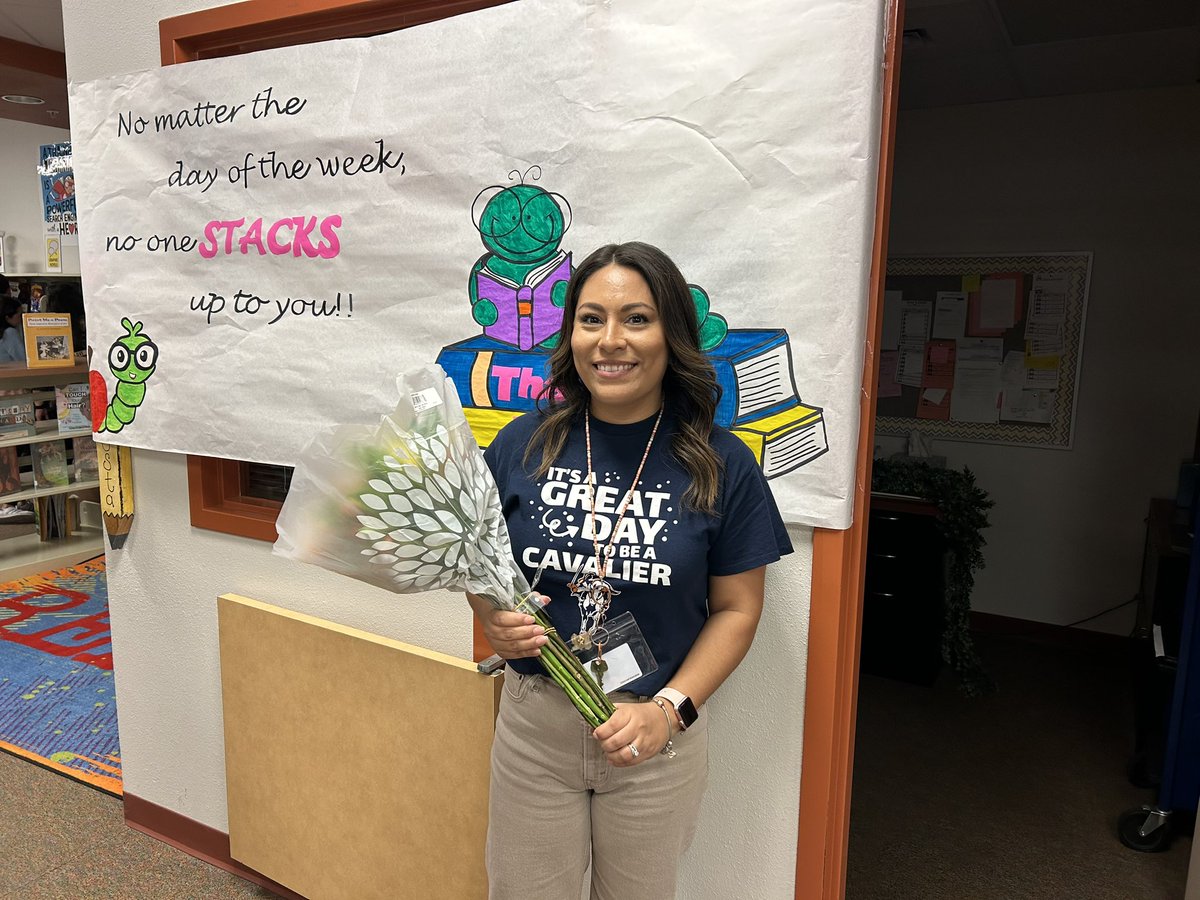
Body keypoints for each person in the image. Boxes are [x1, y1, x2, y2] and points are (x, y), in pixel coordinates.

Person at [468, 242, 793, 900]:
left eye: (636, 319)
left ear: (671, 334)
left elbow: (737, 609)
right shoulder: (520, 442)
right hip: (537, 727)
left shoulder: (722, 462)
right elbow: (482, 568)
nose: (610, 341)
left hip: (653, 735)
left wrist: (671, 711)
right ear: (570, 334)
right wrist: (492, 621)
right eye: (591, 319)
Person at [0, 293, 26, 364]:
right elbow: (22, 358)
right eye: (19, 315)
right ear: (7, 317)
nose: (21, 318)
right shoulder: (9, 333)